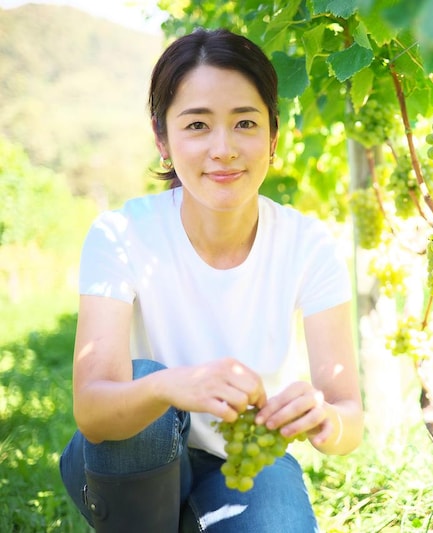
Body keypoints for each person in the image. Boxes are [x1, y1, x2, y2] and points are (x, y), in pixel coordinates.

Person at [59, 27, 364, 532]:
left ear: (273, 137)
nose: (223, 149)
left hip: (246, 457)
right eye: (197, 126)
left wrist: (324, 419)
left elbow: (348, 416)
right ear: (163, 139)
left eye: (244, 122)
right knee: (141, 386)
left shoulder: (308, 244)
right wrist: (173, 385)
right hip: (136, 448)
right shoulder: (120, 233)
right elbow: (93, 408)